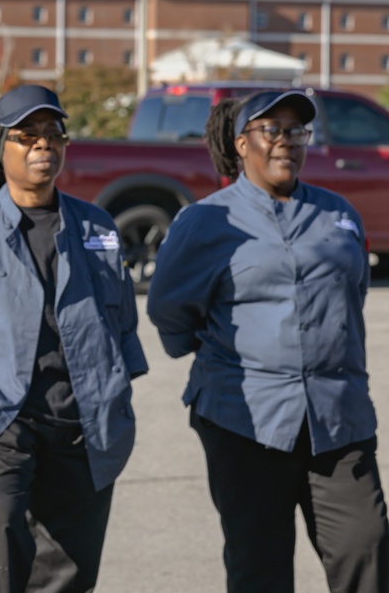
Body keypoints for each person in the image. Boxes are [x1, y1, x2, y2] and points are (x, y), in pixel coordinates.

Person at [146, 90, 389, 593]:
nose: (287, 141)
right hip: (244, 419)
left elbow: (352, 295)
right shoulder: (206, 221)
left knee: (367, 550)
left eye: (296, 131)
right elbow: (170, 311)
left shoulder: (338, 214)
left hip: (338, 419)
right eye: (271, 130)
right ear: (241, 143)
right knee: (260, 566)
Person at [0, 84, 148, 593]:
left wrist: (115, 390)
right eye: (27, 136)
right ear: (1, 146)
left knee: (69, 568)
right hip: (2, 419)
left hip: (83, 420)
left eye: (53, 134)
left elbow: (124, 324)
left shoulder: (96, 227)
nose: (43, 145)